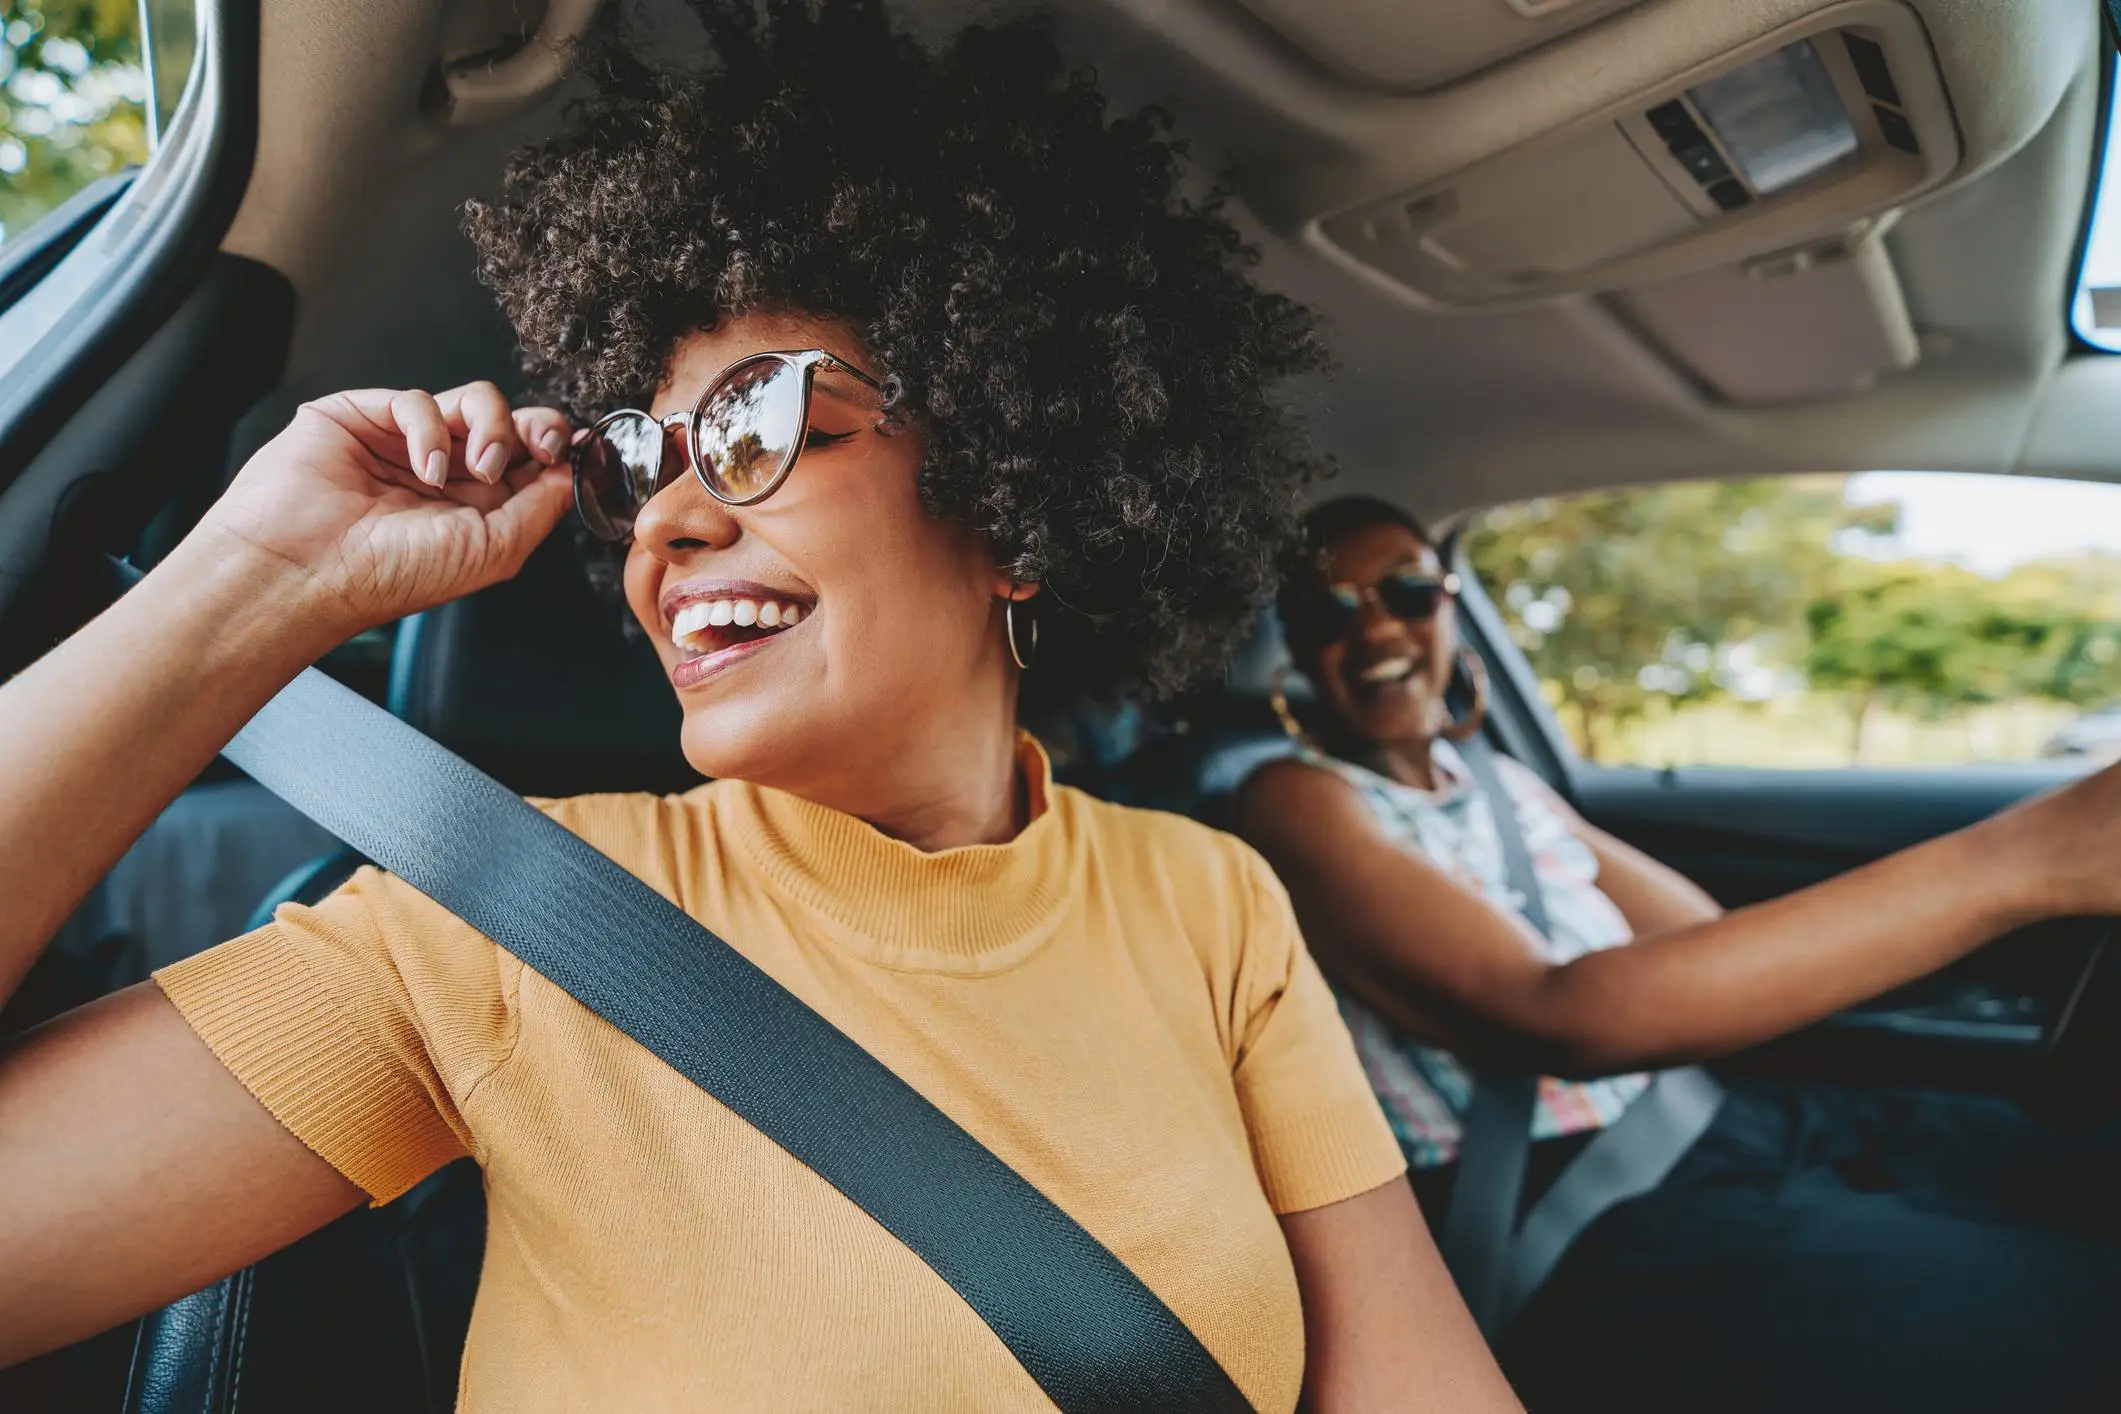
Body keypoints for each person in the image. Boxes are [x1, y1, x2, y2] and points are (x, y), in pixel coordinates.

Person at [0, 8, 1524, 1411]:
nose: (662, 524)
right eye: (640, 464)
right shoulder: (503, 924)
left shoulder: (1210, 906)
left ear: (1016, 498)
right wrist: (244, 592)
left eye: (751, 427)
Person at [1234, 493, 2121, 1413]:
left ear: (1449, 605)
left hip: (1710, 1120)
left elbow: (1694, 936)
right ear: (1293, 649)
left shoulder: (1496, 780)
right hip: (1568, 1212)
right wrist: (2029, 862)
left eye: (1408, 590)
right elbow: (1551, 1012)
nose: (1375, 625)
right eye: (1329, 609)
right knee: (2075, 1320)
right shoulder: (1290, 802)